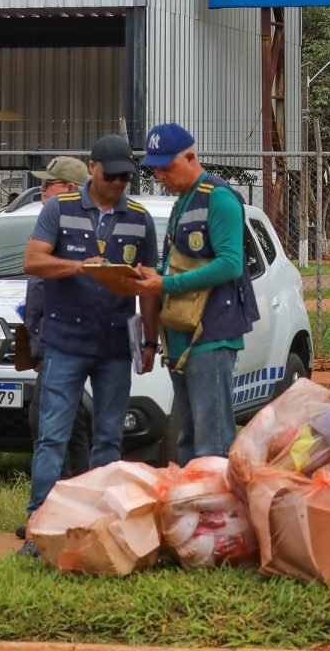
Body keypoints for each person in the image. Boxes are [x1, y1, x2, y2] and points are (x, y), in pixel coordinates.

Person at [20, 135, 158, 551]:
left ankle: (99, 526)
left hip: (115, 343)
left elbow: (150, 284)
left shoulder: (139, 217)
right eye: (112, 174)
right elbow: (33, 261)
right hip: (65, 341)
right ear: (93, 167)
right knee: (52, 436)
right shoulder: (58, 209)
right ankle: (39, 528)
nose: (118, 183)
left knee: (109, 439)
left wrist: (150, 343)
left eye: (125, 177)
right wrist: (80, 267)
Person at [125, 124, 257, 463]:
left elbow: (230, 264)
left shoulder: (220, 198)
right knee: (187, 439)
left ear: (191, 157)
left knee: (211, 442)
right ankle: (191, 507)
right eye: (155, 168)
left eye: (167, 167)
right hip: (182, 334)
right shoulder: (182, 202)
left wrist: (165, 284)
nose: (161, 175)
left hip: (211, 335)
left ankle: (212, 512)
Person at [20, 154, 93, 534]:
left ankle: (53, 513)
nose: (41, 189)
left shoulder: (71, 228)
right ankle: (69, 507)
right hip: (48, 339)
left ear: (66, 189)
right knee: (70, 423)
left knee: (48, 424)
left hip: (60, 340)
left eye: (47, 184)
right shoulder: (54, 222)